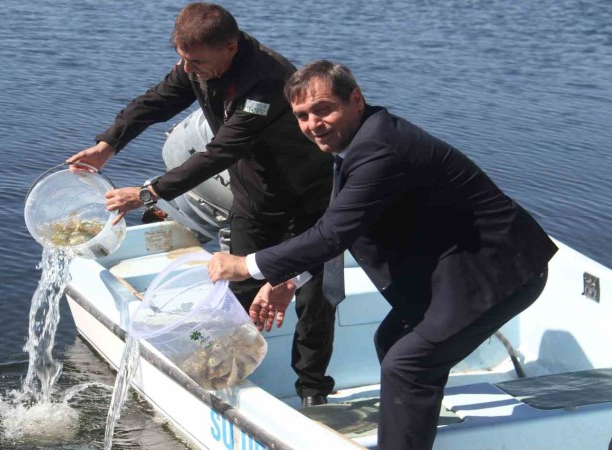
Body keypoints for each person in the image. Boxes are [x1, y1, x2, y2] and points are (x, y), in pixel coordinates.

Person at [207, 60, 558, 450]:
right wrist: (291, 279)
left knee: (408, 363)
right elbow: (343, 226)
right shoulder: (362, 142)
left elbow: (333, 233)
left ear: (356, 100)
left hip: (498, 269)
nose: (313, 124)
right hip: (453, 260)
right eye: (302, 116)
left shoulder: (381, 149)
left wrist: (246, 265)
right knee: (394, 341)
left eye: (323, 109)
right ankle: (410, 430)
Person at [66, 3, 337, 406]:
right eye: (182, 58)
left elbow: (221, 151)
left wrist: (147, 193)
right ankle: (230, 376)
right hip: (254, 195)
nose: (188, 68)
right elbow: (157, 100)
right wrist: (109, 143)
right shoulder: (199, 64)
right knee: (239, 286)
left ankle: (313, 391)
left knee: (314, 298)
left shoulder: (267, 81)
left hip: (309, 199)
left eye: (195, 61)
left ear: (230, 48)